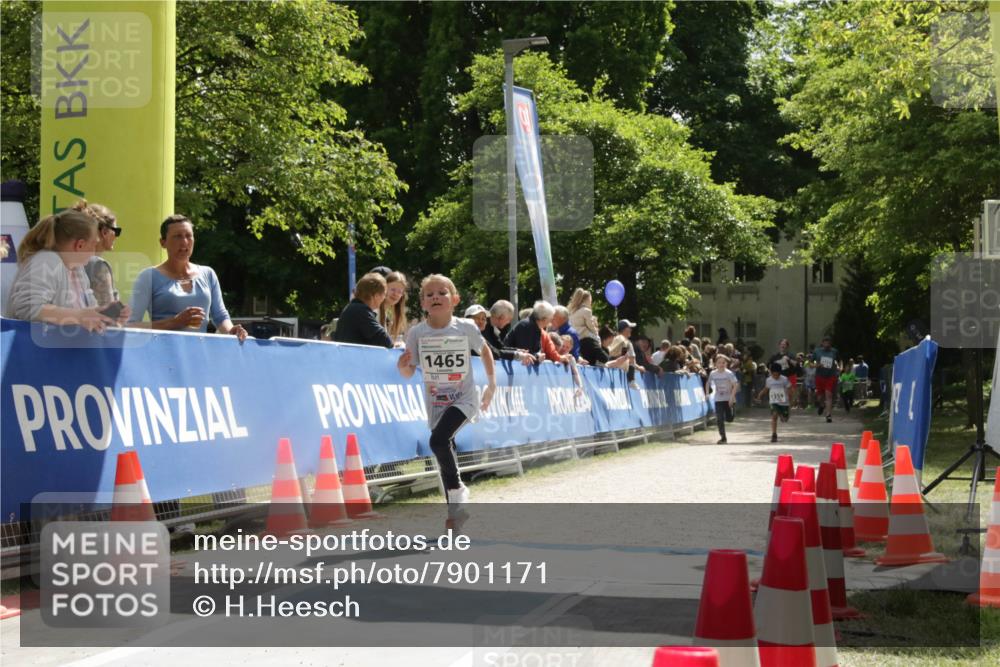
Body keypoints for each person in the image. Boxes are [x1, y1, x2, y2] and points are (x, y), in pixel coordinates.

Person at [397, 274, 496, 531]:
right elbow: (408, 371)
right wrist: (403, 366)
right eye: (429, 295)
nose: (436, 297)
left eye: (442, 293)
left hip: (464, 398)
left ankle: (458, 492)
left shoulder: (466, 327)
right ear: (422, 303)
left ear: (455, 299)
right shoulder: (416, 333)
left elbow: (485, 350)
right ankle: (455, 514)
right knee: (444, 450)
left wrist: (491, 384)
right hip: (435, 402)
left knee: (438, 441)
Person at [6, 209, 128, 332]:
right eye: (94, 245)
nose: (94, 252)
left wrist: (105, 315)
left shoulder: (78, 270)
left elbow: (85, 314)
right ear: (80, 245)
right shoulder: (46, 260)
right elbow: (26, 307)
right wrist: (79, 316)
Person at [129, 214, 247, 341]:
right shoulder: (148, 277)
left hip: (198, 351)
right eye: (177, 236)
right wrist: (174, 322)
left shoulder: (208, 274)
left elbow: (220, 316)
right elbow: (130, 325)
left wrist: (231, 330)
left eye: (188, 236)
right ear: (163, 242)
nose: (184, 242)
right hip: (163, 351)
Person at [74, 200, 122, 308]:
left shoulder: (69, 262)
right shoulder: (98, 265)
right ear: (104, 232)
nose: (116, 236)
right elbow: (108, 312)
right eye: (117, 231)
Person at [332, 272, 394, 348]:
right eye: (384, 294)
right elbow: (385, 341)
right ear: (376, 296)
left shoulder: (352, 308)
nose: (384, 298)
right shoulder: (361, 311)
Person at [466, 304, 532, 365]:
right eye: (477, 318)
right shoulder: (469, 335)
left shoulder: (480, 335)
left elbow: (498, 348)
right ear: (467, 320)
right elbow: (494, 353)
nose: (481, 321)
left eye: (483, 319)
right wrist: (518, 355)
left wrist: (517, 351)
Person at [568, 288, 607, 366]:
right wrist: (596, 333)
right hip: (585, 337)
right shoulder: (586, 311)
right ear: (587, 299)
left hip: (575, 338)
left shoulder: (572, 311)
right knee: (604, 357)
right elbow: (590, 326)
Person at [757, 362, 791, 442]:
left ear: (780, 373)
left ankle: (782, 414)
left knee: (784, 419)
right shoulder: (769, 380)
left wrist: (792, 399)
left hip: (784, 402)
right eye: (774, 375)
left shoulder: (784, 379)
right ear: (771, 373)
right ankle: (774, 434)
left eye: (777, 375)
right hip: (773, 401)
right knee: (774, 416)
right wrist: (759, 395)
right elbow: (766, 389)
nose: (775, 377)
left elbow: (790, 389)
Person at [708, 354, 738, 444]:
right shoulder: (713, 373)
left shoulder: (729, 373)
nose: (721, 364)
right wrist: (707, 393)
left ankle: (732, 409)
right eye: (719, 363)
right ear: (715, 364)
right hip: (718, 399)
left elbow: (735, 385)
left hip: (728, 398)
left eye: (723, 363)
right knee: (719, 418)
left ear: (726, 364)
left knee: (729, 419)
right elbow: (708, 383)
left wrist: (732, 397)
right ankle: (723, 438)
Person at [812, 336, 840, 422]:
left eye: (828, 342)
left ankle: (828, 415)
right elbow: (810, 363)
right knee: (820, 397)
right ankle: (822, 405)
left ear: (830, 343)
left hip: (830, 376)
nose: (827, 344)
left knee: (829, 395)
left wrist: (839, 367)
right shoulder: (817, 351)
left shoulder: (834, 351)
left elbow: (839, 360)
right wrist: (817, 365)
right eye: (825, 342)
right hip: (819, 376)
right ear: (822, 343)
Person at [379, 271, 409, 345]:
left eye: (400, 292)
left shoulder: (388, 313)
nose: (395, 294)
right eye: (393, 289)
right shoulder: (375, 310)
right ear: (384, 288)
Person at [768, 339, 799, 405]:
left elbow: (796, 364)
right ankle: (779, 407)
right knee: (780, 395)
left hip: (790, 376)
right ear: (779, 345)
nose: (783, 346)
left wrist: (789, 359)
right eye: (781, 344)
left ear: (787, 346)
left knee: (790, 394)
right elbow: (770, 366)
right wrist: (771, 375)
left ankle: (789, 407)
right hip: (779, 378)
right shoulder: (775, 356)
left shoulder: (791, 355)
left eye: (784, 344)